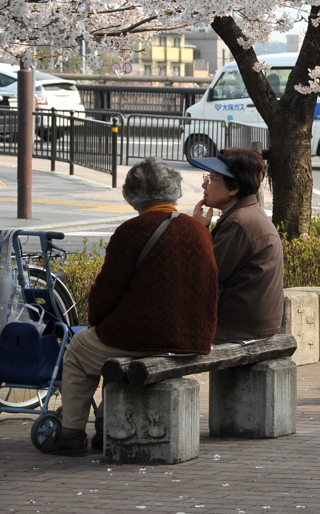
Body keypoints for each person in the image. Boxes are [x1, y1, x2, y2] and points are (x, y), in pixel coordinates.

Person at [41, 158, 219, 456]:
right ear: (174, 191)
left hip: (144, 340)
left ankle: (70, 433)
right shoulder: (199, 230)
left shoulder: (132, 230)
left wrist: (97, 323)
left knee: (80, 349)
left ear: (132, 195)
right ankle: (104, 423)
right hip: (192, 339)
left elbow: (105, 293)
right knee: (108, 349)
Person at [190, 149, 284, 342]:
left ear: (233, 189)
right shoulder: (247, 214)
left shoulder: (238, 223)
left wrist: (199, 232)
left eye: (212, 178)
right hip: (252, 324)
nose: (204, 184)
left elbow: (204, 276)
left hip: (237, 328)